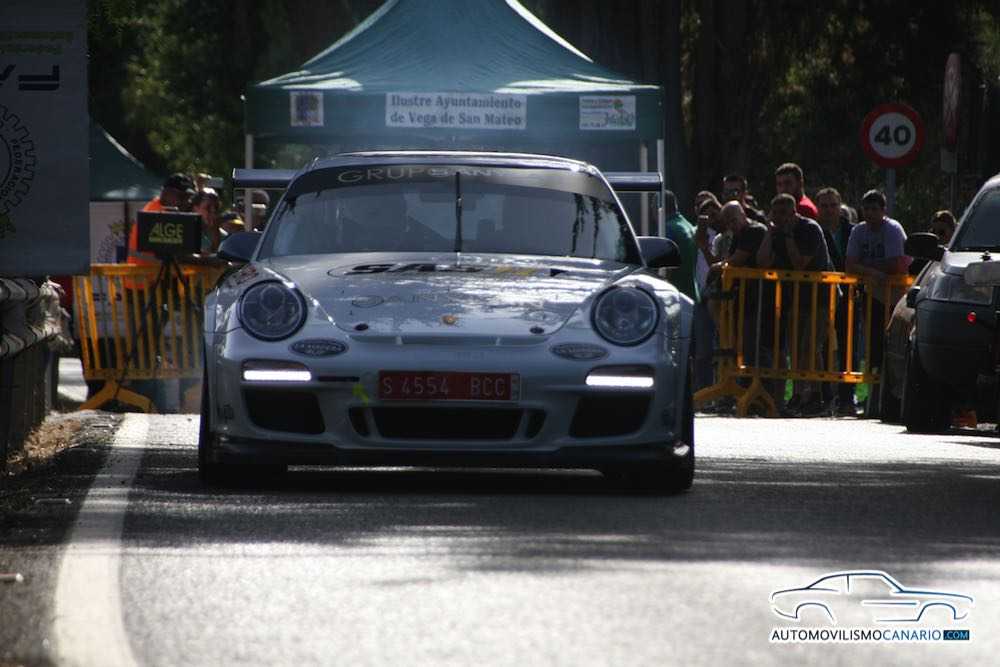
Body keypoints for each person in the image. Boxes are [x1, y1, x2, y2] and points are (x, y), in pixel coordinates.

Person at [757, 193, 834, 415]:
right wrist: (769, 233)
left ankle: (817, 395)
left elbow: (800, 263)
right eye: (775, 213)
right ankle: (800, 394)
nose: (779, 218)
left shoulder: (810, 229)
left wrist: (789, 235)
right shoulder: (776, 232)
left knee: (810, 346)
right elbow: (763, 262)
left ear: (793, 213)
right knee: (796, 349)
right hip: (795, 298)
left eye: (783, 213)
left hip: (820, 297)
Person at [845, 189, 910, 405]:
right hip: (873, 296)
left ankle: (894, 398)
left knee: (895, 347)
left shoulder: (892, 229)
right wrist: (873, 272)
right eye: (866, 209)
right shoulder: (858, 231)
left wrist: (865, 266)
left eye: (874, 209)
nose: (870, 214)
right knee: (874, 348)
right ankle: (874, 398)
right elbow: (849, 265)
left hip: (897, 299)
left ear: (883, 210)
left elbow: (897, 264)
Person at [815, 187, 857, 415]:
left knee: (848, 347)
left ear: (840, 206)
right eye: (824, 206)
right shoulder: (814, 230)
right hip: (821, 298)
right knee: (821, 346)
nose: (829, 210)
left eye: (833, 205)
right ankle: (824, 396)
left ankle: (847, 398)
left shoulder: (853, 231)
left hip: (850, 297)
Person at [661, 190, 699, 304]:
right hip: (692, 293)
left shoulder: (667, 229)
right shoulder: (687, 224)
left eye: (652, 205)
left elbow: (665, 268)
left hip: (677, 297)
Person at [191, 188, 222, 253]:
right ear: (195, 209)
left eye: (216, 207)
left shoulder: (224, 236)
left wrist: (216, 232)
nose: (213, 211)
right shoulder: (187, 233)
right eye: (208, 207)